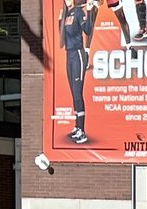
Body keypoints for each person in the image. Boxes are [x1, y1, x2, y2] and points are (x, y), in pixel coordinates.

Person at [59, 0, 95, 145]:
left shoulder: (79, 12)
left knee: (78, 92)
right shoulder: (66, 14)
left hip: (78, 55)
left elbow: (88, 29)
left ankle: (82, 130)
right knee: (73, 94)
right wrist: (60, 20)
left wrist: (91, 11)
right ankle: (77, 127)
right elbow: (61, 41)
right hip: (69, 55)